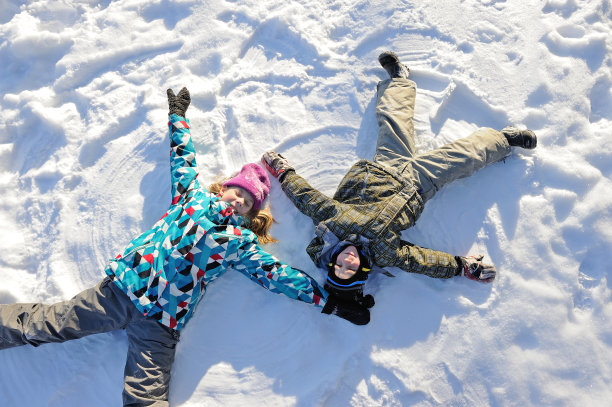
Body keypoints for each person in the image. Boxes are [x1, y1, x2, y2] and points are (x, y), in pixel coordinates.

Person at [0, 87, 342, 406]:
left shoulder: (239, 243)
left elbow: (275, 273)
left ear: (253, 212)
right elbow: (183, 159)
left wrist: (326, 300)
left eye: (249, 201)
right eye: (237, 192)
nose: (240, 200)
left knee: (146, 394)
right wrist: (177, 116)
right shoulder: (190, 198)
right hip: (121, 291)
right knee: (53, 323)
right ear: (223, 188)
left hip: (162, 321)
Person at [262, 51, 538, 324]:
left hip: (382, 167)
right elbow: (421, 260)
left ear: (332, 261)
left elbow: (308, 199)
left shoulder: (332, 227)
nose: (347, 261)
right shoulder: (384, 253)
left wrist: (283, 171)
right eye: (351, 269)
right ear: (362, 270)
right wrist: (462, 267)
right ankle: (505, 139)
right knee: (463, 156)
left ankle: (399, 79)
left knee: (392, 119)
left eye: (339, 266)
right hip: (417, 184)